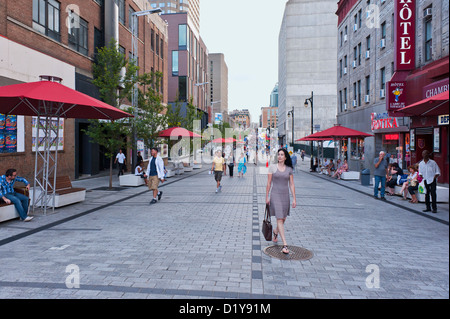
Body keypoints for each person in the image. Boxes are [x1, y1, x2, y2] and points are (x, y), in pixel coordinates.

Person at [266, 149, 296, 255]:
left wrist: (294, 199)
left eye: (282, 155)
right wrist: (267, 197)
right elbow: (269, 183)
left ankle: (276, 231)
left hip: (285, 196)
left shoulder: (289, 169)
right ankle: (285, 244)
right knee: (279, 218)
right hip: (275, 195)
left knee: (283, 219)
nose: (279, 156)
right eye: (278, 154)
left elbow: (291, 184)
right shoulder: (272, 167)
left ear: (285, 157)